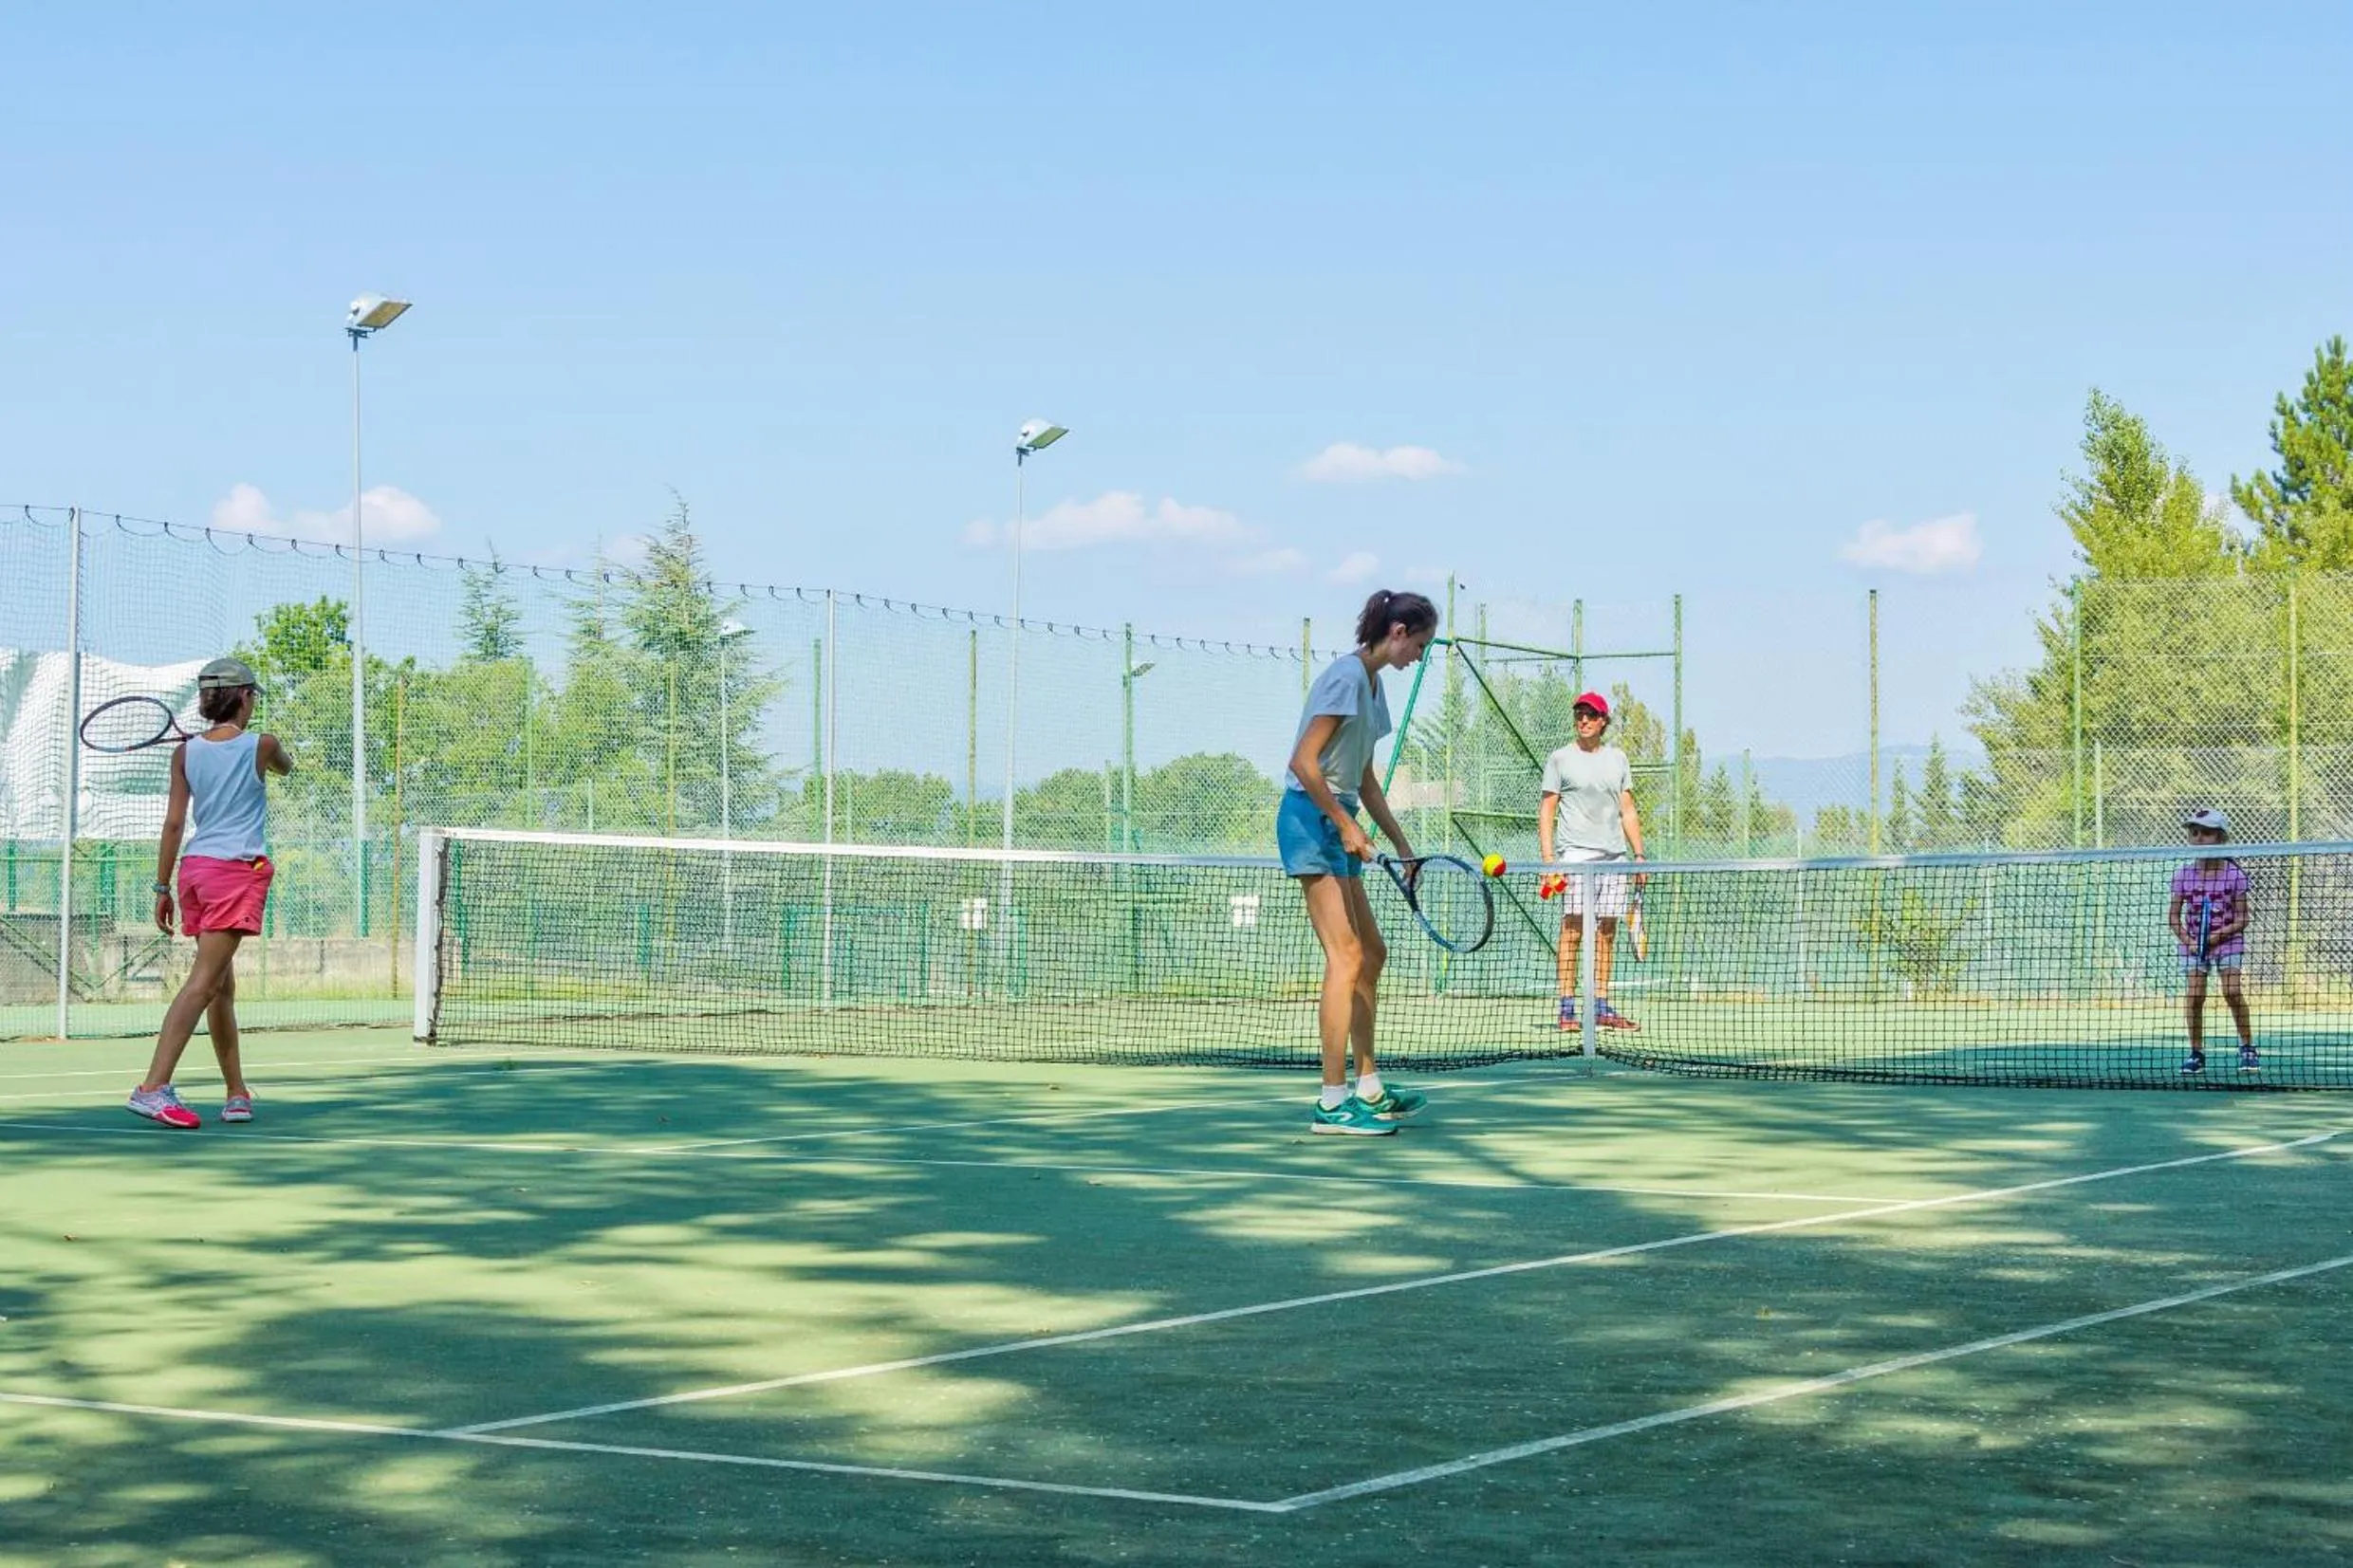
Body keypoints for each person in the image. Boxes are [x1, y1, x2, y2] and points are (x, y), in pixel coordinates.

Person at [1279, 589, 1437, 1134]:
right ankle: (1330, 1101)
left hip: (1335, 816)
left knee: (1372, 951)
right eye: (1418, 644)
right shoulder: (1346, 676)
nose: (1419, 655)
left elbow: (1364, 778)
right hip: (1307, 820)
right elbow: (1302, 762)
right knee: (1345, 956)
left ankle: (1368, 1087)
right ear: (1396, 632)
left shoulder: (1373, 689)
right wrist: (1344, 826)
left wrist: (1400, 843)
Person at [126, 657, 294, 1129]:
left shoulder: (185, 754)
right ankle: (152, 1087)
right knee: (203, 984)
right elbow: (286, 767)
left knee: (221, 986)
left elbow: (175, 823)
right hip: (233, 873)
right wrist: (277, 757)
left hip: (195, 871)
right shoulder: (263, 745)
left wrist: (162, 886)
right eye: (253, 694)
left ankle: (236, 1091)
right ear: (243, 696)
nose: (254, 700)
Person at [1537, 691, 1647, 1031]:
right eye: (1579, 714)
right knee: (1572, 929)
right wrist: (1549, 860)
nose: (1582, 720)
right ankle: (1567, 1008)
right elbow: (1547, 809)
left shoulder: (1618, 759)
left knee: (1606, 932)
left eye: (1590, 715)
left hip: (1615, 858)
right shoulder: (1560, 759)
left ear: (1603, 722)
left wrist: (1639, 856)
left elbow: (1627, 810)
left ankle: (1600, 1005)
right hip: (1575, 856)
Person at [2169, 807, 2257, 1077]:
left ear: (2220, 838)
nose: (2198, 838)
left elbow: (2243, 918)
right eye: (2194, 833)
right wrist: (2191, 941)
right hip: (2193, 943)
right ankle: (2196, 1053)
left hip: (2227, 940)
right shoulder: (2183, 875)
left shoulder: (2234, 875)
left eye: (2205, 833)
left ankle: (2248, 1048)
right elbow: (2173, 918)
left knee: (2231, 992)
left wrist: (2217, 936)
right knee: (2195, 995)